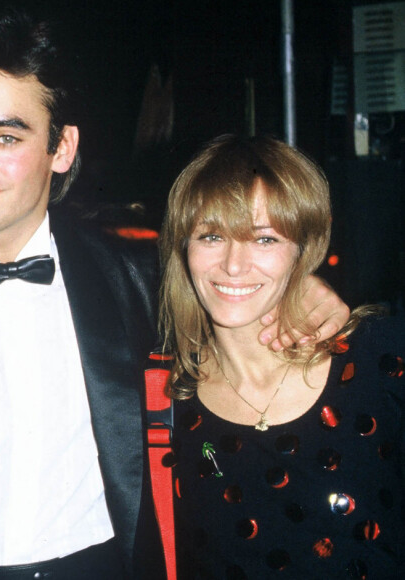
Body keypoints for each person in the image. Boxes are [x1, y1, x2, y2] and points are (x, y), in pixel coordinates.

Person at [0, 8, 348, 579]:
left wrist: (309, 292)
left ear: (62, 148)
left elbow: (244, 285)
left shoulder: (141, 278)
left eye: (5, 136)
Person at [159, 134, 405, 579]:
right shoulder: (162, 402)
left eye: (265, 239)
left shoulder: (381, 359)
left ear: (304, 250)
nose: (234, 265)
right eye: (212, 235)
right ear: (184, 248)